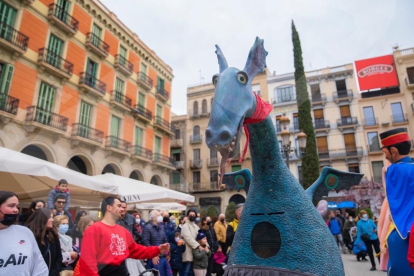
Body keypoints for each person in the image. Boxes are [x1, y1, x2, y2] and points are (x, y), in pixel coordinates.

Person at [78, 197, 170, 275]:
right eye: (119, 206)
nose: (122, 209)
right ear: (109, 207)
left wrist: (157, 250)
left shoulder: (123, 231)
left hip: (122, 271)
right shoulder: (94, 230)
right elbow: (87, 263)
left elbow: (135, 250)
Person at [379, 128, 414, 275]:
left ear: (394, 151)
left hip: (402, 234)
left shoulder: (392, 171)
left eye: (386, 153)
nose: (386, 158)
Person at [0, 191, 49, 275]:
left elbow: (39, 266)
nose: (16, 210)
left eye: (17, 206)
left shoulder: (25, 232)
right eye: (11, 206)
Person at [27, 208, 63, 276]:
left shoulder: (53, 235)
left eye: (52, 217)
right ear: (42, 218)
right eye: (49, 217)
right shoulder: (29, 236)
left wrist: (53, 274)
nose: (52, 220)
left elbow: (59, 258)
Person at [142, 210, 171, 276]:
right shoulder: (147, 228)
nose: (160, 217)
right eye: (158, 215)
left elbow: (165, 240)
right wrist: (153, 255)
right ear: (153, 218)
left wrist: (167, 253)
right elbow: (146, 243)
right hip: (153, 258)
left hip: (162, 257)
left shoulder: (161, 227)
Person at [181, 208, 200, 276]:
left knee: (191, 273)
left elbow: (200, 236)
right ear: (188, 216)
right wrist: (198, 246)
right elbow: (189, 238)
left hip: (195, 254)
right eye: (190, 214)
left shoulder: (196, 226)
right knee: (185, 272)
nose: (192, 216)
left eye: (193, 214)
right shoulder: (185, 226)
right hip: (188, 253)